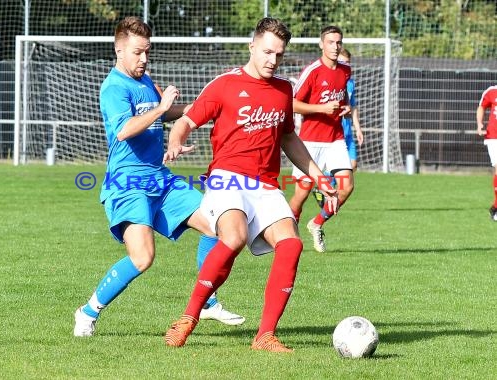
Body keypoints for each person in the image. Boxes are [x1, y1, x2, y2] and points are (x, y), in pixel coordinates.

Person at [162, 17, 338, 353]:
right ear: (252, 46)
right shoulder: (224, 84)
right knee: (235, 237)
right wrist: (175, 141)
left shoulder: (284, 89)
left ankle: (265, 336)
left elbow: (288, 137)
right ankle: (188, 317)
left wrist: (317, 174)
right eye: (268, 52)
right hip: (226, 178)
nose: (273, 60)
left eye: (280, 55)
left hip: (266, 184)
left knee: (291, 245)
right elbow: (186, 120)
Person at [73, 16, 244, 338]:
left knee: (218, 224)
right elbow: (124, 131)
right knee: (142, 257)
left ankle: (207, 303)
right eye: (138, 52)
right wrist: (161, 106)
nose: (144, 59)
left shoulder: (144, 80)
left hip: (160, 179)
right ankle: (87, 311)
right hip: (127, 183)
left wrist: (203, 109)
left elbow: (165, 113)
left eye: (147, 52)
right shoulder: (113, 87)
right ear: (119, 50)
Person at [288, 25, 354, 253]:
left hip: (335, 139)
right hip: (310, 141)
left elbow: (342, 96)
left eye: (338, 42)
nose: (335, 47)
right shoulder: (312, 71)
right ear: (321, 45)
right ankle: (288, 237)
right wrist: (321, 108)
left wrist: (344, 107)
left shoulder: (346, 70)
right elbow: (292, 104)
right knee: (301, 194)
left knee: (346, 187)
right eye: (331, 42)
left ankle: (316, 224)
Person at [312, 47, 363, 208]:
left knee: (353, 165)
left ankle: (325, 186)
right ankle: (326, 189)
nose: (345, 64)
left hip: (347, 132)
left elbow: (352, 106)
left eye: (347, 62)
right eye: (342, 61)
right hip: (332, 132)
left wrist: (358, 128)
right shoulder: (326, 79)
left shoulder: (350, 83)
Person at [476, 84, 497, 221]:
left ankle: (495, 207)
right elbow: (482, 106)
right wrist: (479, 124)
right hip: (494, 137)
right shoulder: (491, 91)